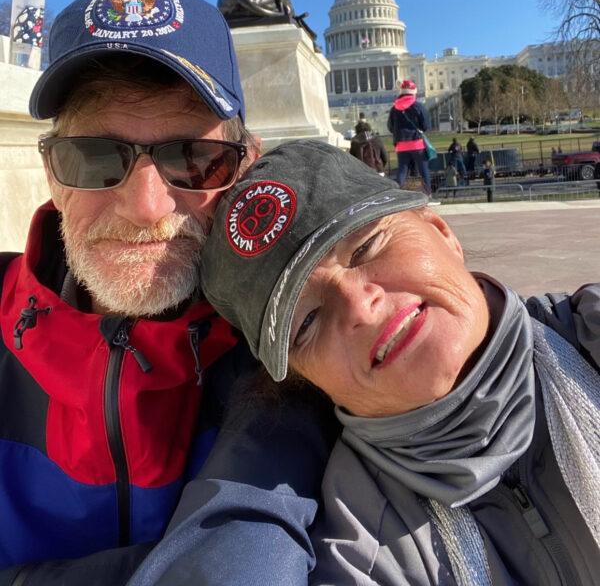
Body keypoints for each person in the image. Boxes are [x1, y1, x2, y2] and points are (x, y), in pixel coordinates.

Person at [0, 0, 330, 586]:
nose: (147, 207)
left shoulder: (300, 341)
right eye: (96, 158)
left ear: (245, 167)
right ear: (51, 172)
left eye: (193, 158)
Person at [198, 139, 600, 586]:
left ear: (442, 232)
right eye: (308, 321)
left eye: (367, 247)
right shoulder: (358, 551)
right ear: (305, 380)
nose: (361, 307)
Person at [387, 79, 432, 194]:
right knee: (423, 170)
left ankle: (397, 195)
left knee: (402, 171)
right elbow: (426, 125)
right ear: (413, 92)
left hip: (401, 145)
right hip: (416, 143)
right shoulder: (418, 106)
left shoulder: (394, 108)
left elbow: (390, 127)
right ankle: (428, 193)